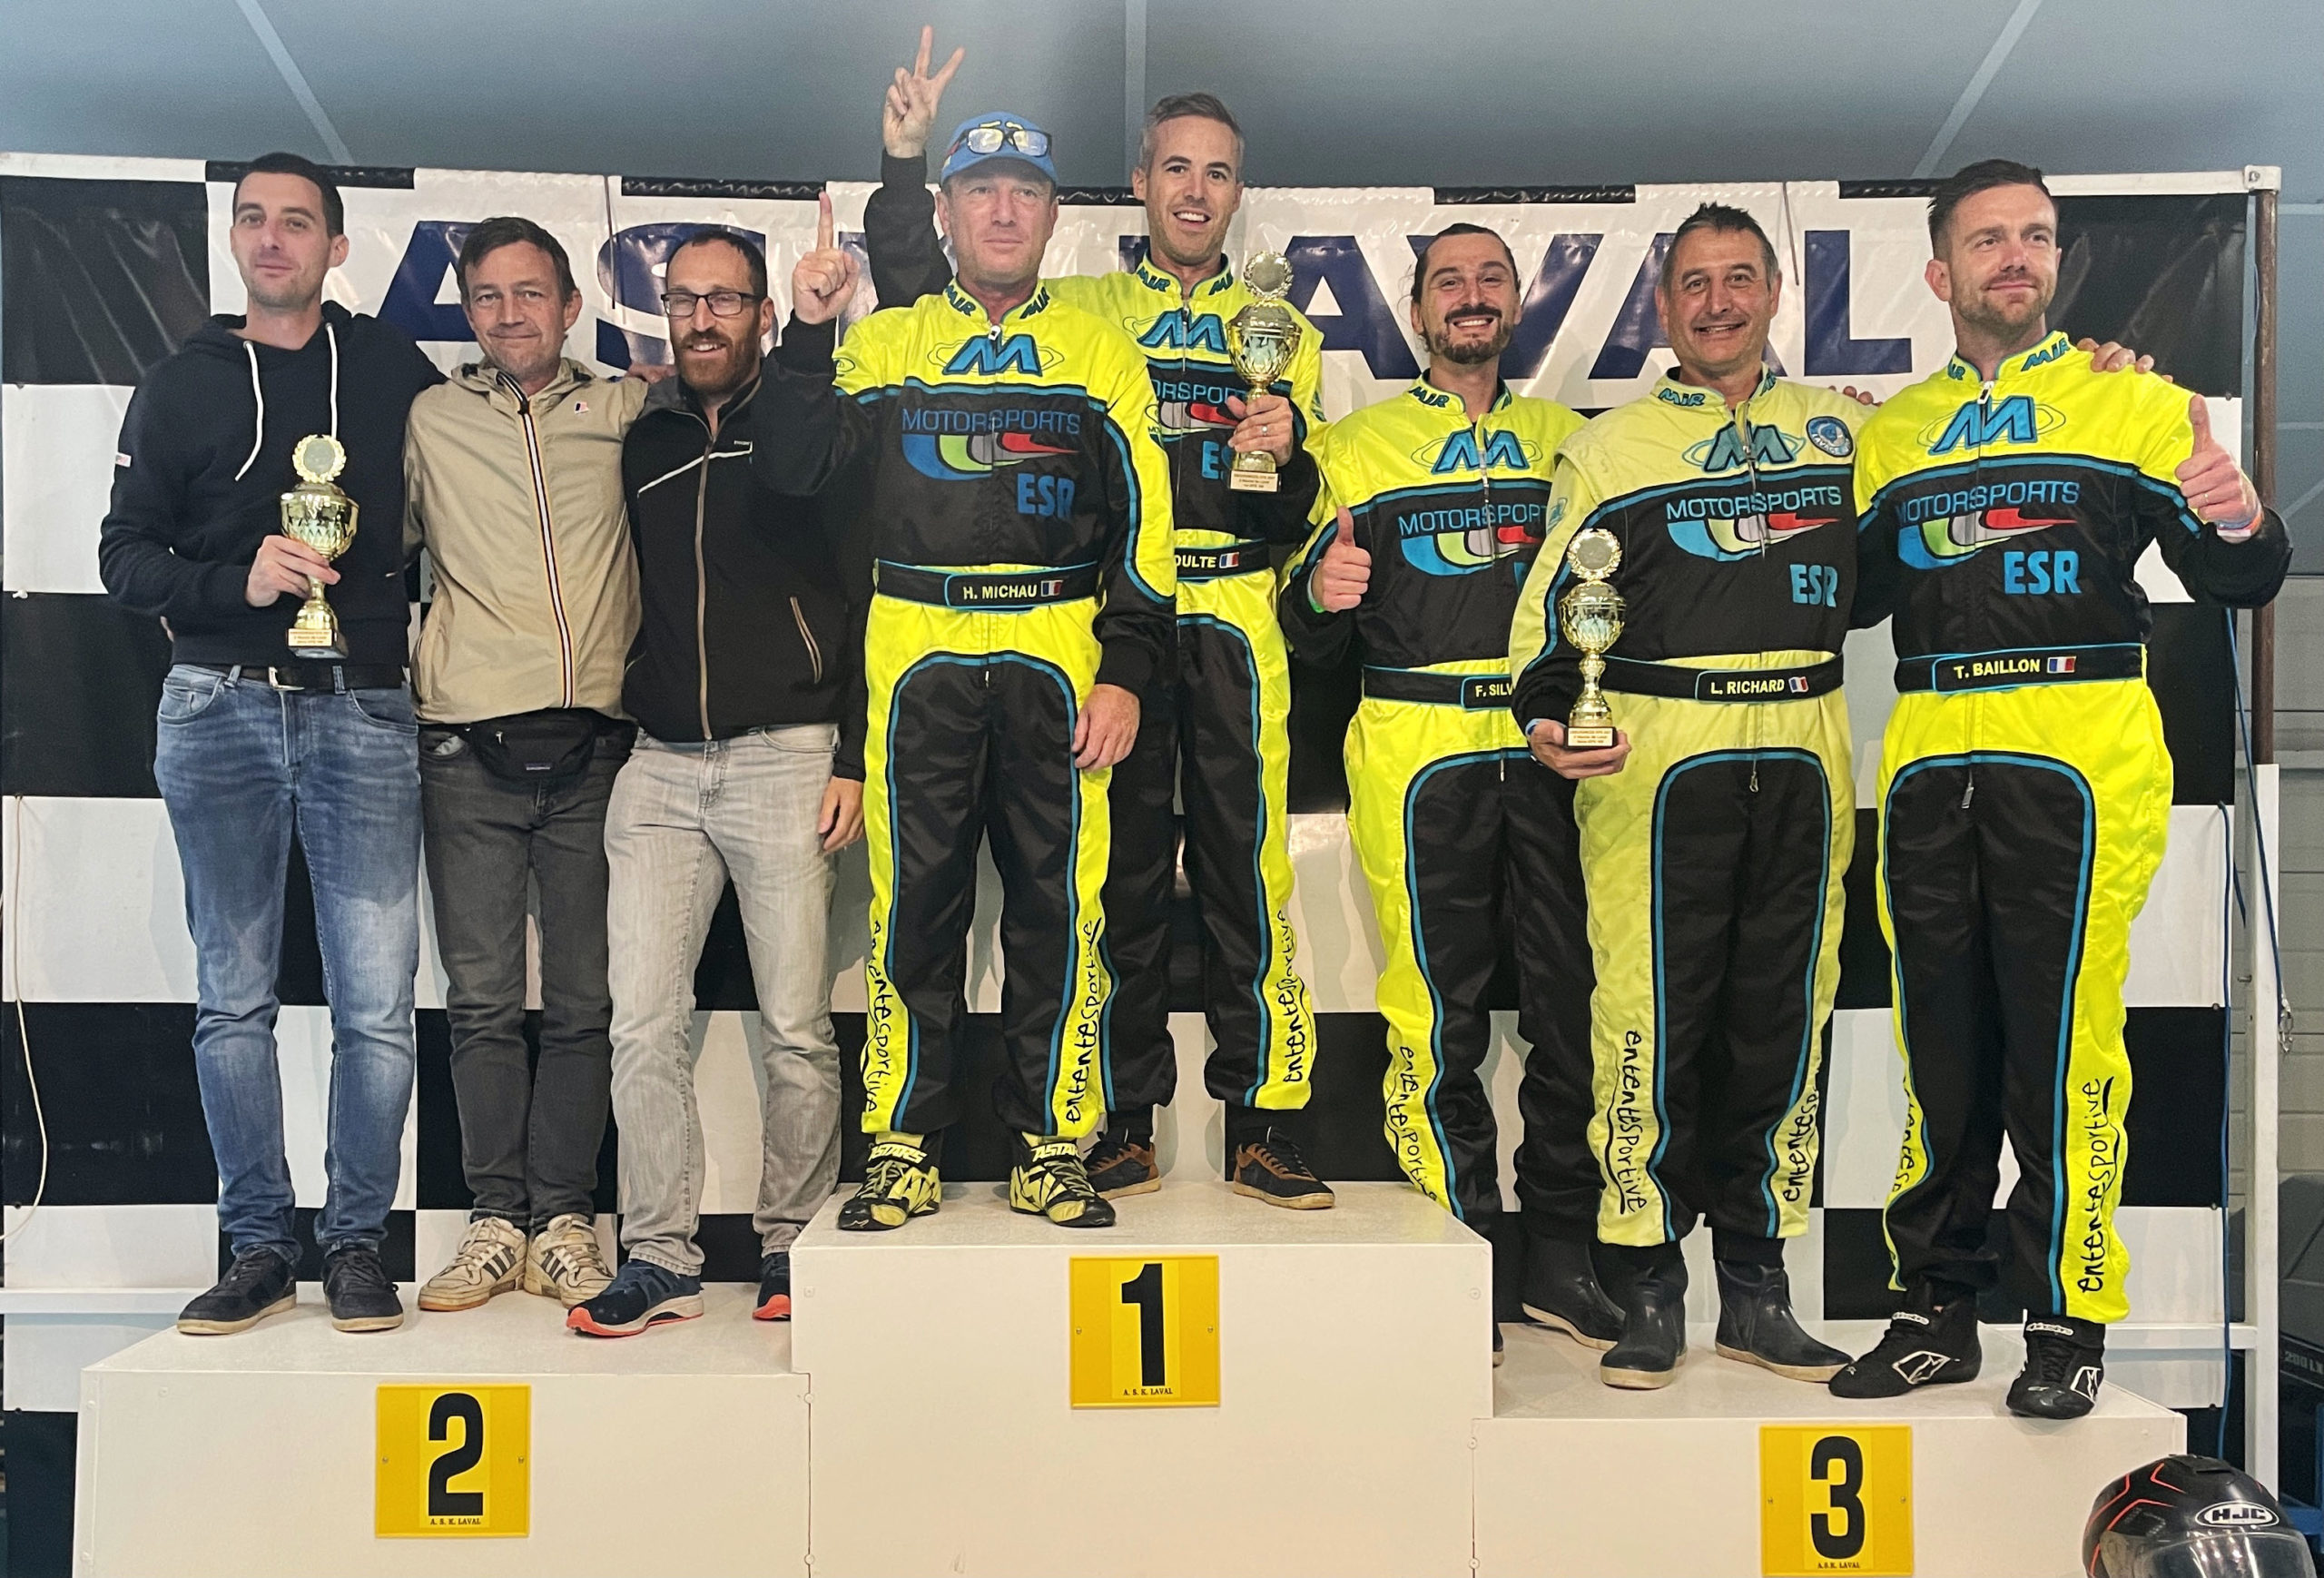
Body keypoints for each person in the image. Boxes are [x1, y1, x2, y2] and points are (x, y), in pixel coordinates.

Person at [1830, 160, 2288, 1417]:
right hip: (1929, 760)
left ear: (2055, 259)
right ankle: (1933, 1312)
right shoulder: (1895, 432)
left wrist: (2239, 516)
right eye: (1988, 240)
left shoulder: (2130, 402)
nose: (2015, 257)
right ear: (1941, 273)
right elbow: (1852, 600)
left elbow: (2238, 577)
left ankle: (2065, 1319)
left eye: (2034, 236)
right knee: (1938, 1047)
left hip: (2078, 761)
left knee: (2062, 1044)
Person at [865, 31, 1329, 1207]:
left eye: (1217, 172)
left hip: (1231, 611)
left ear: (1239, 191)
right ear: (1138, 184)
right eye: (1175, 168)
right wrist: (907, 169)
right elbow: (928, 305)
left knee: (1247, 872)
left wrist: (1288, 454)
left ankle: (1265, 1120)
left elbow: (1292, 512)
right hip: (1107, 615)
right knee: (1111, 877)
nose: (1195, 190)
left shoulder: (1287, 335)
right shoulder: (1083, 309)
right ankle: (1117, 1113)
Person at [757, 120, 1175, 1231]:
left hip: (1059, 660)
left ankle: (1050, 1143)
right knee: (912, 914)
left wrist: (1127, 668)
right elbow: (792, 470)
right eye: (980, 191)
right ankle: (902, 1143)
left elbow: (1146, 527)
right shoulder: (888, 341)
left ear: (1052, 215)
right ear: (942, 214)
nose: (1002, 211)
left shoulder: (1099, 351)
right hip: (915, 660)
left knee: (1059, 912)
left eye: (1024, 193)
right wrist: (807, 333)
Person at [1509, 204, 1866, 1390]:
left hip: (1807, 757)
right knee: (1644, 1026)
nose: (1718, 302)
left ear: (1774, 294)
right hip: (1654, 768)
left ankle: (1758, 1291)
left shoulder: (1845, 435)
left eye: (1739, 278)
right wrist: (1546, 712)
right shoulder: (1611, 450)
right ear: (1663, 308)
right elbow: (1549, 617)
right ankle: (1647, 1285)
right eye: (1695, 284)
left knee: (1786, 1019)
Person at [97, 152, 442, 1335]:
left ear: (336, 247)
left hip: (364, 707)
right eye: (254, 219)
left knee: (377, 1005)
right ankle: (256, 1246)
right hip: (219, 706)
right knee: (232, 998)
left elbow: (486, 469)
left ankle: (356, 1244)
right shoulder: (177, 383)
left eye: (297, 221)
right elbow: (122, 557)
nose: (273, 238)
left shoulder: (392, 370)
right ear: (234, 237)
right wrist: (230, 580)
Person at [1281, 222, 1618, 1366]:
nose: (1470, 297)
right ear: (1417, 311)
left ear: (1516, 304)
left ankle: (1562, 1258)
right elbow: (1295, 623)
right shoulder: (1351, 448)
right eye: (1448, 282)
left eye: (1490, 279)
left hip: (1553, 748)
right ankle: (1458, 1256)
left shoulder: (1572, 445)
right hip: (1415, 746)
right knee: (1436, 1016)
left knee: (1574, 1009)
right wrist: (1318, 594)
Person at [567, 227, 866, 1336]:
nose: (702, 318)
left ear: (764, 315)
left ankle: (792, 1245)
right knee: (640, 1024)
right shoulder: (641, 431)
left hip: (787, 754)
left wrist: (851, 752)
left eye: (726, 299)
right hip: (655, 764)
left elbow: (864, 588)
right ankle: (658, 1255)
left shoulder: (809, 421)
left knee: (795, 1025)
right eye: (685, 299)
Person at [403, 217, 644, 1315]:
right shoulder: (429, 419)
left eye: (530, 293)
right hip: (465, 747)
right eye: (488, 297)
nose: (510, 314)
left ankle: (567, 1224)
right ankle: (496, 1220)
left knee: (588, 1002)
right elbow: (376, 550)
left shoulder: (625, 410)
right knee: (483, 1003)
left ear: (570, 305)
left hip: (598, 748)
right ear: (468, 311)